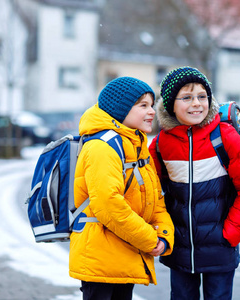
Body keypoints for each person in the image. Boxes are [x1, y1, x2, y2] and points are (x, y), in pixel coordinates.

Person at [149, 67, 240, 300]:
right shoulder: (162, 144)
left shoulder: (223, 136)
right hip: (180, 247)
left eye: (202, 96)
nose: (196, 104)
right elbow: (152, 193)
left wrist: (230, 234)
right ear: (171, 104)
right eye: (187, 97)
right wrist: (161, 231)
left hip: (220, 247)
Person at [69, 77, 175, 300]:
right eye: (143, 105)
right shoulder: (102, 148)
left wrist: (163, 235)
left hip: (125, 254)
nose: (152, 112)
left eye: (152, 105)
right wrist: (149, 239)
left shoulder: (136, 145)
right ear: (121, 109)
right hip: (101, 259)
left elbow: (155, 200)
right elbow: (108, 205)